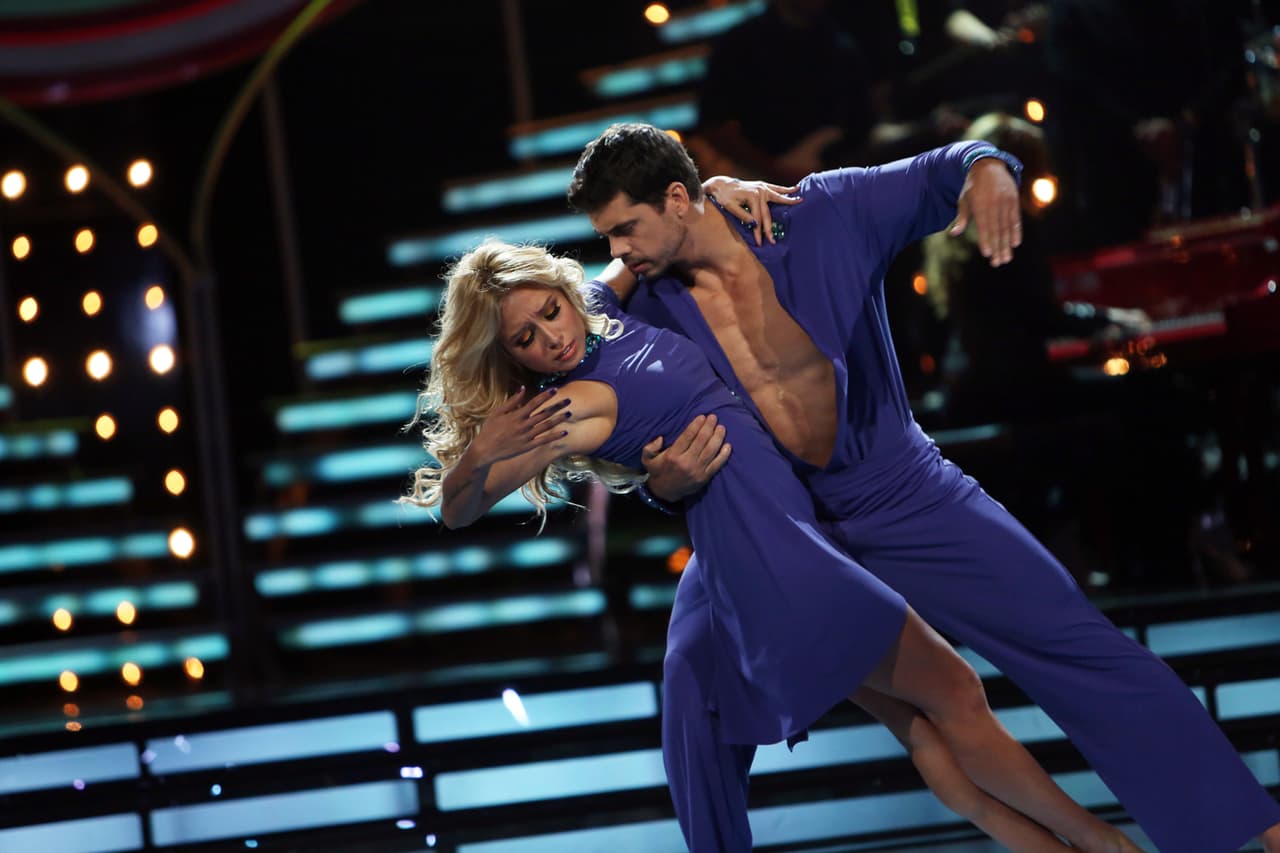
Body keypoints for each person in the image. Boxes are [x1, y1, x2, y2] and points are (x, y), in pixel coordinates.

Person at [567, 122, 1280, 853]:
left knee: (1076, 641)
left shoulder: (821, 213)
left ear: (677, 197)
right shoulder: (638, 306)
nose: (617, 249)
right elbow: (563, 324)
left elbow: (948, 166)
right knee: (692, 694)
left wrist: (992, 168)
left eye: (625, 228)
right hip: (777, 526)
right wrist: (664, 483)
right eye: (608, 237)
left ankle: (1253, 829)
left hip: (898, 489)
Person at [403, 238, 1140, 853]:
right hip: (780, 562)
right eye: (525, 340)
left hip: (771, 552)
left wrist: (725, 189)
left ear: (563, 287)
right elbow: (459, 514)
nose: (551, 338)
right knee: (956, 696)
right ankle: (1107, 847)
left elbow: (640, 245)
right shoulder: (568, 404)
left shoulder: (597, 310)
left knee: (923, 725)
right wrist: (477, 455)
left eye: (548, 312)